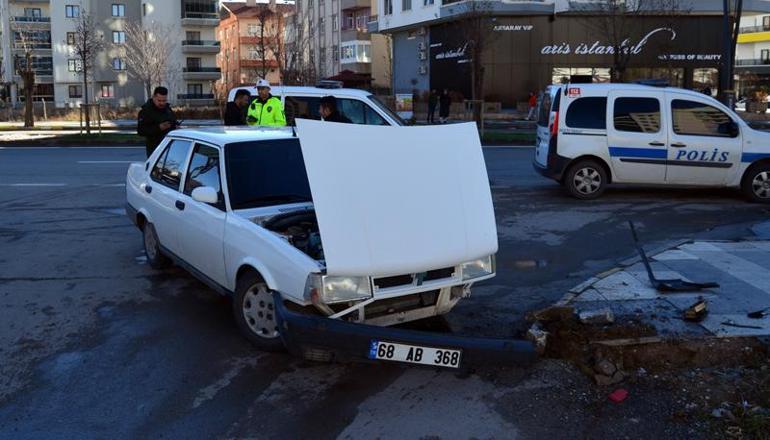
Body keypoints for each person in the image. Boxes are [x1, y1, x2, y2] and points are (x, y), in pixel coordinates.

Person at [137, 86, 177, 157]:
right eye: (159, 100)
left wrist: (176, 126)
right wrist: (158, 128)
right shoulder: (146, 111)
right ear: (154, 97)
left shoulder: (167, 109)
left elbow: (173, 121)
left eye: (164, 101)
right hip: (154, 150)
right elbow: (141, 130)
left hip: (170, 149)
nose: (162, 103)